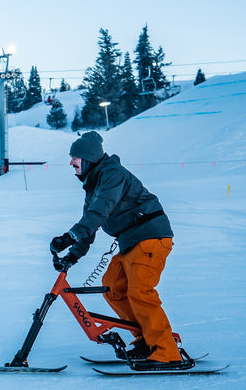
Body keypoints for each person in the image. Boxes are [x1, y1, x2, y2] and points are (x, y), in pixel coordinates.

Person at [50, 131, 185, 370]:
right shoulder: (94, 184)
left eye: (75, 157)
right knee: (113, 288)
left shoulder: (113, 175)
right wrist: (72, 255)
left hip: (150, 237)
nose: (71, 162)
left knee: (140, 292)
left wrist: (70, 236)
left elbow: (99, 212)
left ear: (89, 158)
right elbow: (89, 223)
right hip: (132, 242)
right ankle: (146, 341)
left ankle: (166, 351)